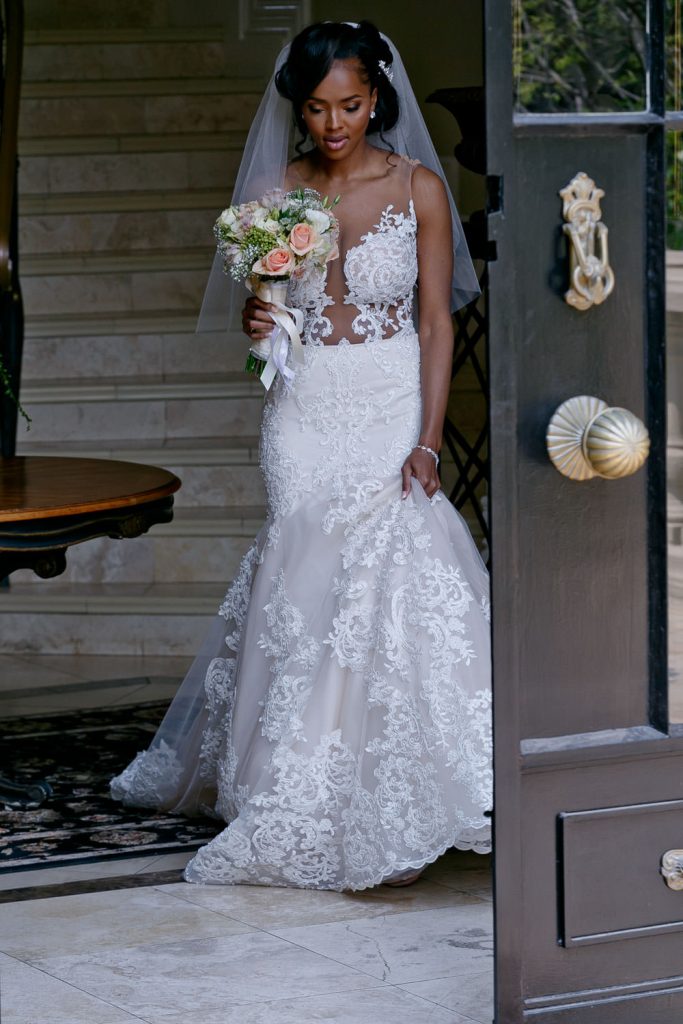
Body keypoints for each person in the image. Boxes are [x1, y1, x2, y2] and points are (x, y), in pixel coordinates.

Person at [110, 19, 492, 891]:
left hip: (392, 399)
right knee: (302, 571)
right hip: (305, 404)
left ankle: (385, 790)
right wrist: (260, 317)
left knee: (386, 572)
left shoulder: (419, 189)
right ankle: (288, 783)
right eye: (318, 108)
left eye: (351, 105)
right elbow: (269, 314)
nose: (334, 125)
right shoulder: (277, 193)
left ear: (376, 99)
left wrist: (429, 440)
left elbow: (437, 322)